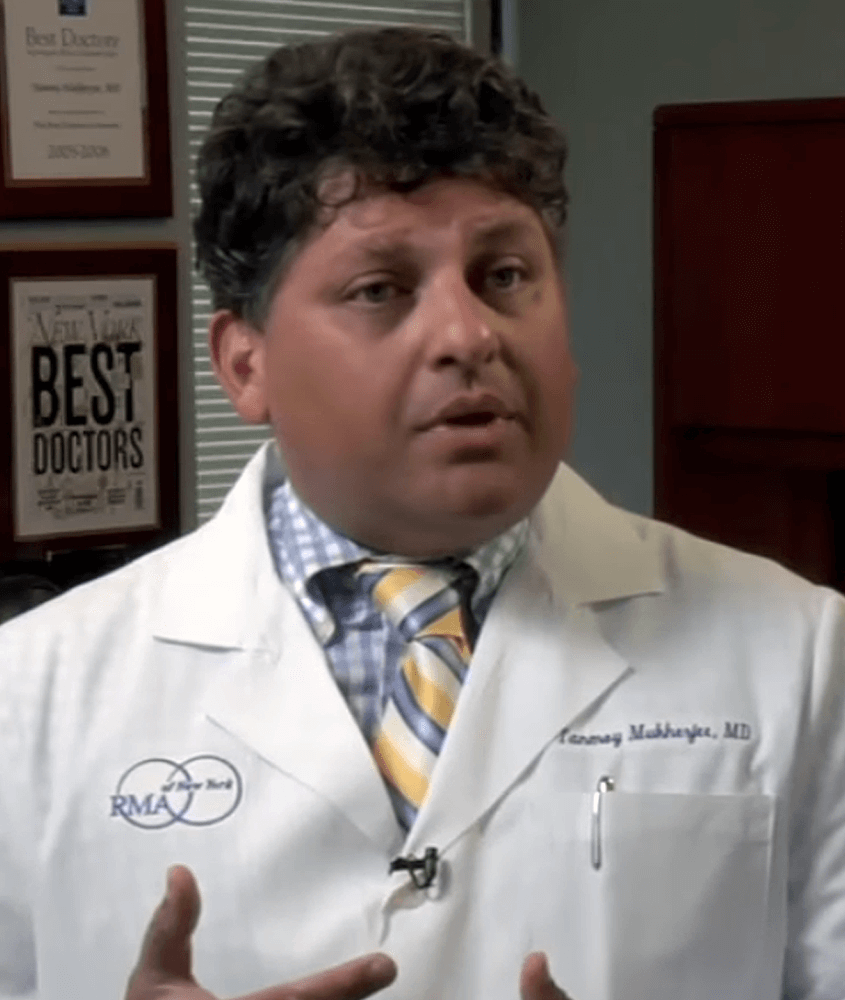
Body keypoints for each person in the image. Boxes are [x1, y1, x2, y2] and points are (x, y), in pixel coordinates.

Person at [1, 26, 844, 1000]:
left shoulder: (799, 655)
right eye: (380, 289)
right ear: (245, 363)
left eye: (503, 275)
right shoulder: (32, 694)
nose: (467, 334)